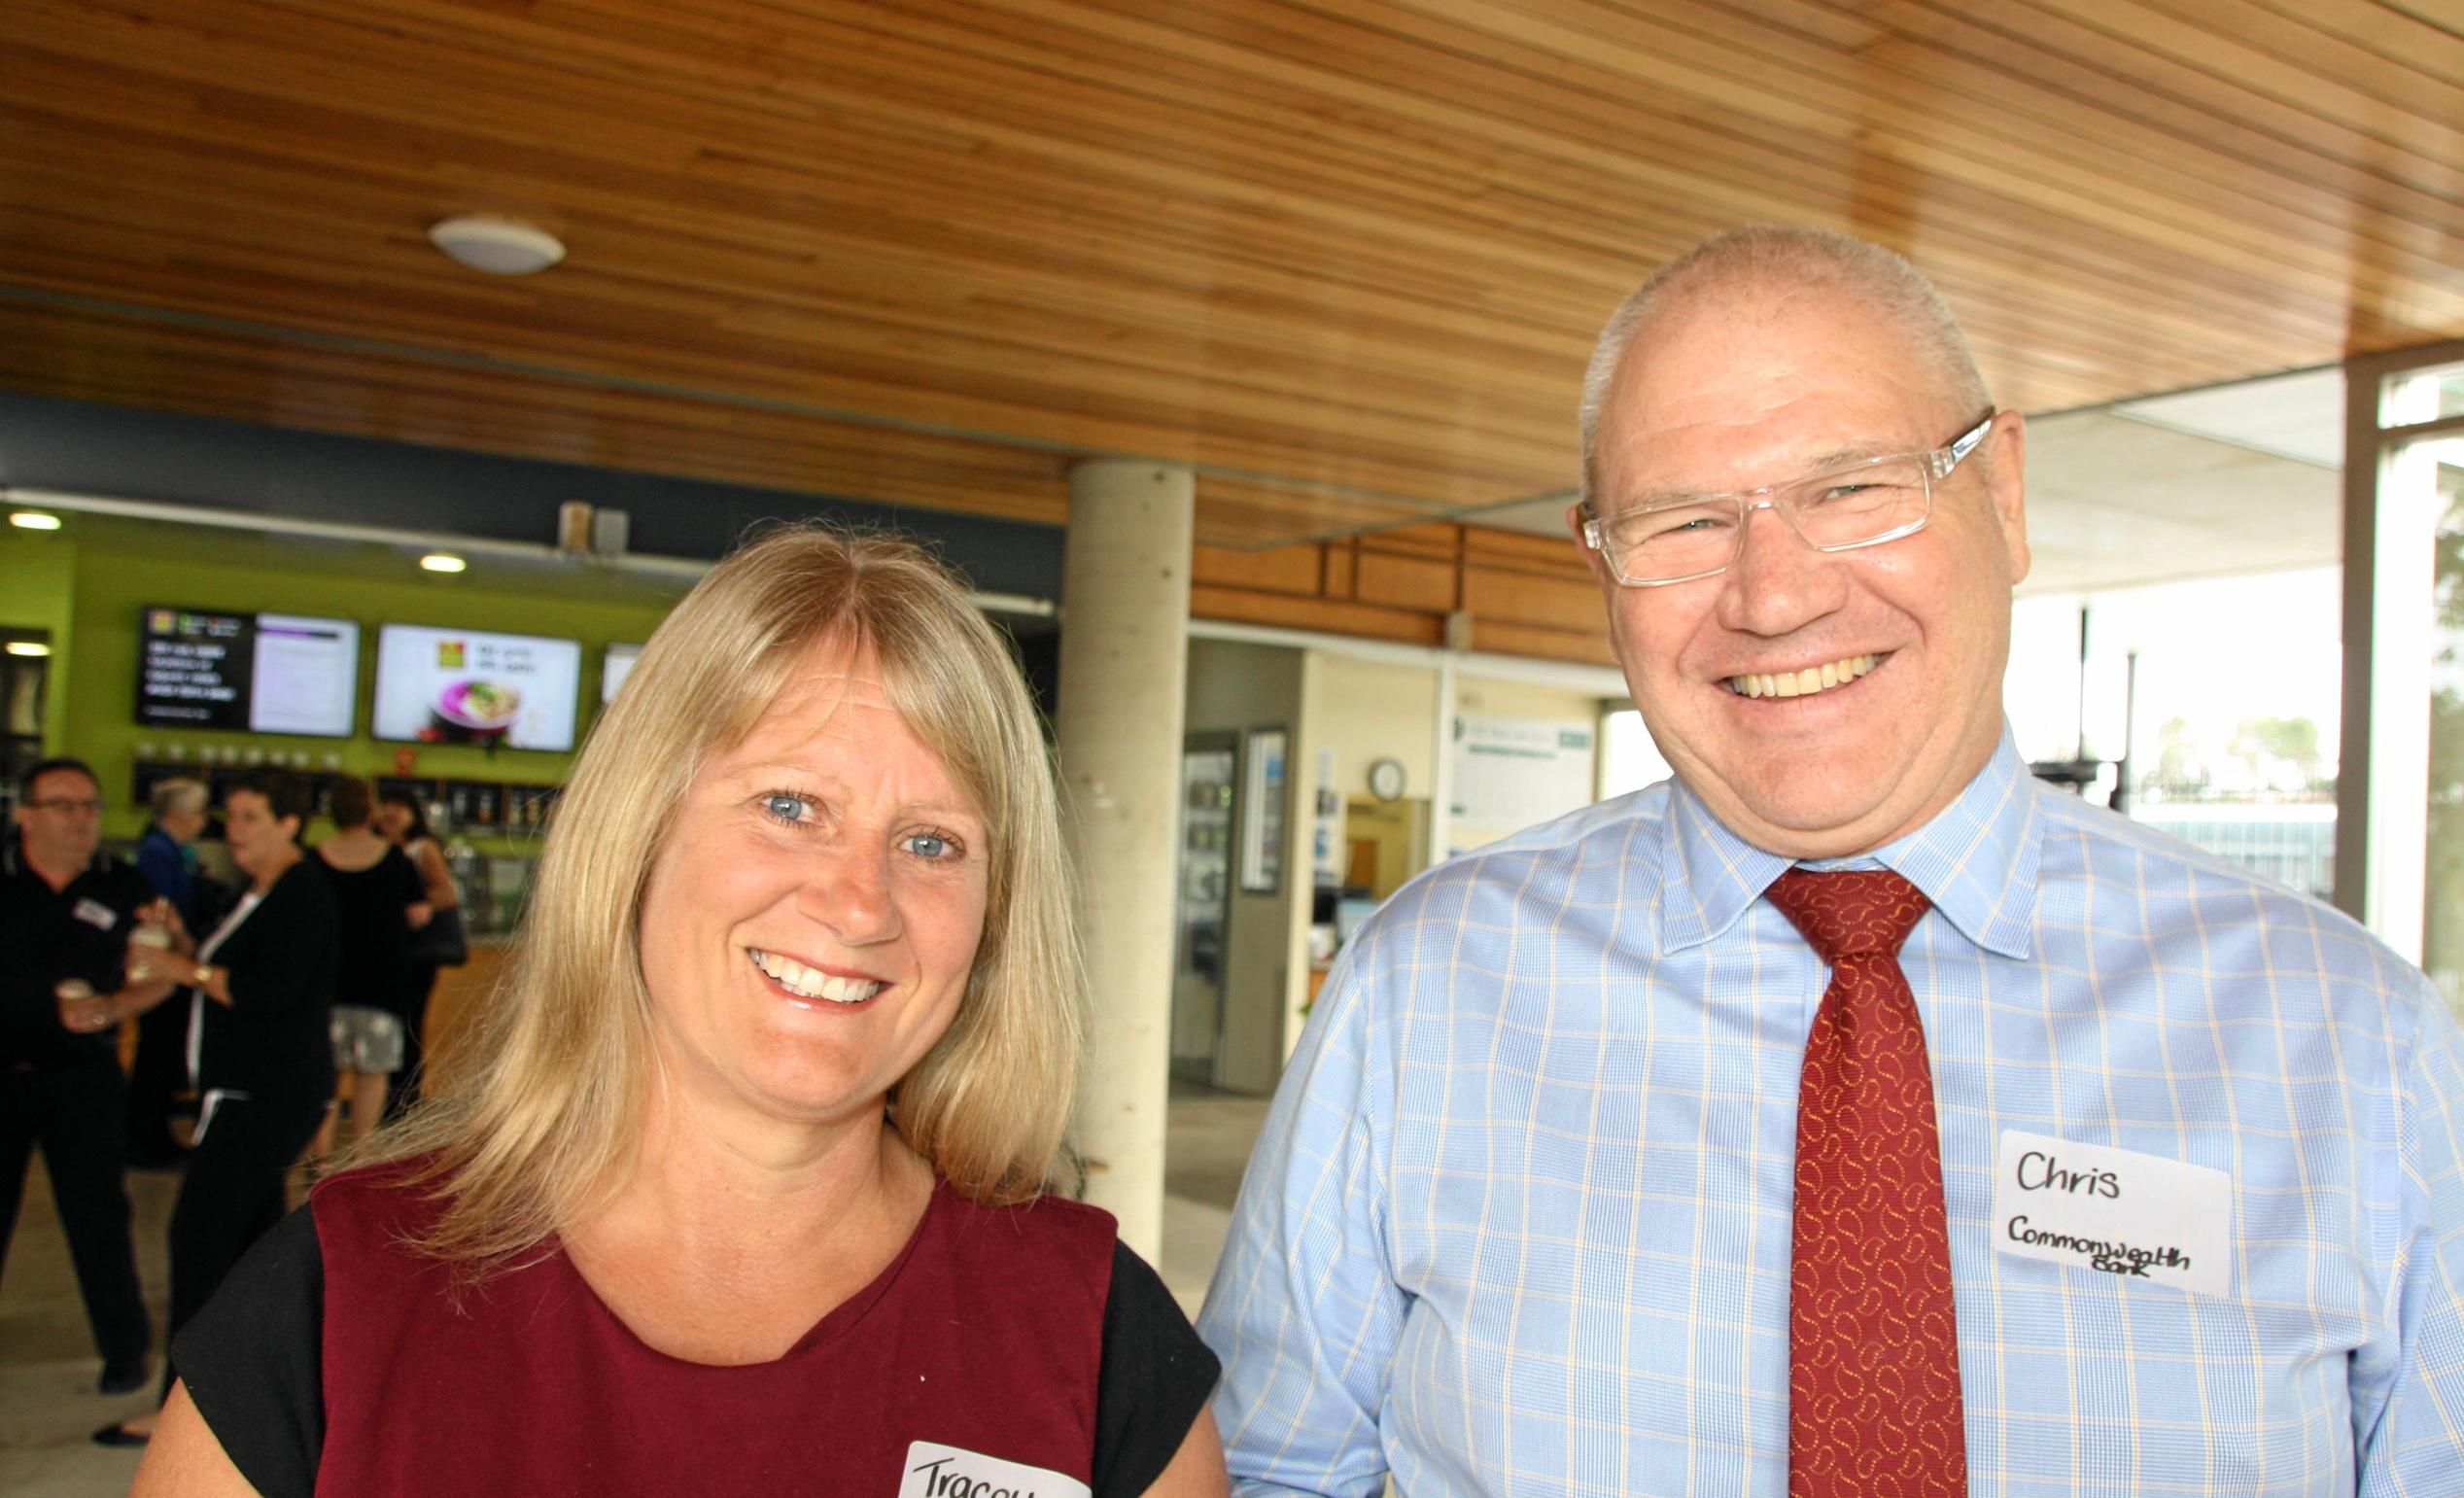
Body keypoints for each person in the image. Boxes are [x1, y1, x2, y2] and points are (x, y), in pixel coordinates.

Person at [1198, 227, 2464, 1494]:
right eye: (1682, 520)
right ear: (1599, 560)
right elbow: (1269, 1471)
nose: (1770, 594)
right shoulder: (1421, 989)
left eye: (1850, 490)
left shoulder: (2347, 1038)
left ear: (2003, 494)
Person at [132, 526, 1229, 1497]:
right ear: (636, 839)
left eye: (932, 841)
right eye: (790, 805)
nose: (859, 902)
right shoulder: (344, 1295)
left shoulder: (1092, 1331)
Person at [98, 772, 337, 1446]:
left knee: (201, 1239)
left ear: (290, 823)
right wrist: (184, 941)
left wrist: (185, 971)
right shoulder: (257, 892)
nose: (236, 830)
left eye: (252, 816)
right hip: (245, 1091)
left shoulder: (302, 893)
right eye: (230, 816)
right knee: (251, 1251)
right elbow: (229, 962)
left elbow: (270, 988)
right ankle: (250, 1397)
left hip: (266, 1094)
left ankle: (182, 1407)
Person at [0, 757, 172, 1394]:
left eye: (90, 807)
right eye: (63, 806)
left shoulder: (122, 887)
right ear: (26, 814)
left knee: (98, 1214)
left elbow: (156, 975)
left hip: (83, 1077)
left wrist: (116, 1004)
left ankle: (123, 1348)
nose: (80, 820)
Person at [306, 777, 428, 1161]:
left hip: (326, 985)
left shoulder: (313, 859)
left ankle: (320, 1156)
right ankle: (360, 1153)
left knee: (325, 1074)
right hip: (381, 983)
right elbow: (416, 912)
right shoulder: (394, 860)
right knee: (371, 1074)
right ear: (369, 810)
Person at [128, 777, 212, 1167]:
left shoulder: (174, 851)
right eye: (198, 812)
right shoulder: (158, 854)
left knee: (163, 1053)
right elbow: (164, 911)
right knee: (156, 1053)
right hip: (163, 966)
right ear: (177, 814)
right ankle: (145, 1139)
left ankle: (153, 1133)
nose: (203, 820)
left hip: (175, 961)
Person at [372, 786, 456, 1115]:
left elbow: (446, 893)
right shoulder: (378, 848)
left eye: (399, 807)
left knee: (409, 1025)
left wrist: (414, 906)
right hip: (388, 952)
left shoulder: (423, 849)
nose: (391, 813)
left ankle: (404, 1100)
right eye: (387, 805)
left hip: (416, 953)